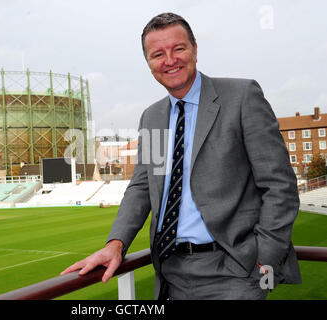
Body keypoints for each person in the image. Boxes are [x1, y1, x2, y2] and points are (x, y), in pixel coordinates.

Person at [61, 12, 301, 300]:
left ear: (195, 50)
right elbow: (140, 188)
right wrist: (116, 243)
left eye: (178, 48)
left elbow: (280, 185)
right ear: (149, 64)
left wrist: (266, 257)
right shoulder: (151, 116)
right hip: (171, 272)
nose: (169, 60)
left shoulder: (241, 96)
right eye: (158, 54)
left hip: (235, 271)